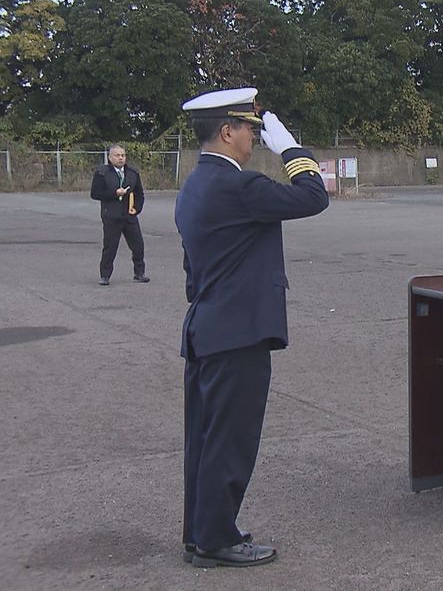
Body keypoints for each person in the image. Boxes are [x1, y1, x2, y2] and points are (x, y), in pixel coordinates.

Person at [175, 88, 329, 567]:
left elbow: (192, 269)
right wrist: (292, 150)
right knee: (231, 440)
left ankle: (201, 534)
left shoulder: (194, 185)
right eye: (251, 130)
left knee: (205, 439)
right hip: (237, 333)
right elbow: (313, 196)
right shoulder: (237, 185)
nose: (254, 140)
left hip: (207, 327)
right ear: (227, 131)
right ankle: (217, 540)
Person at [90, 144, 148, 285]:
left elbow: (140, 194)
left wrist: (137, 208)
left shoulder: (133, 173)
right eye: (117, 155)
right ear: (110, 157)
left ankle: (139, 273)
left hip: (129, 216)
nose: (121, 158)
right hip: (111, 215)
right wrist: (114, 194)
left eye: (123, 155)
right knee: (110, 247)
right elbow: (95, 194)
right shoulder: (102, 173)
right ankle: (105, 276)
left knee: (138, 245)